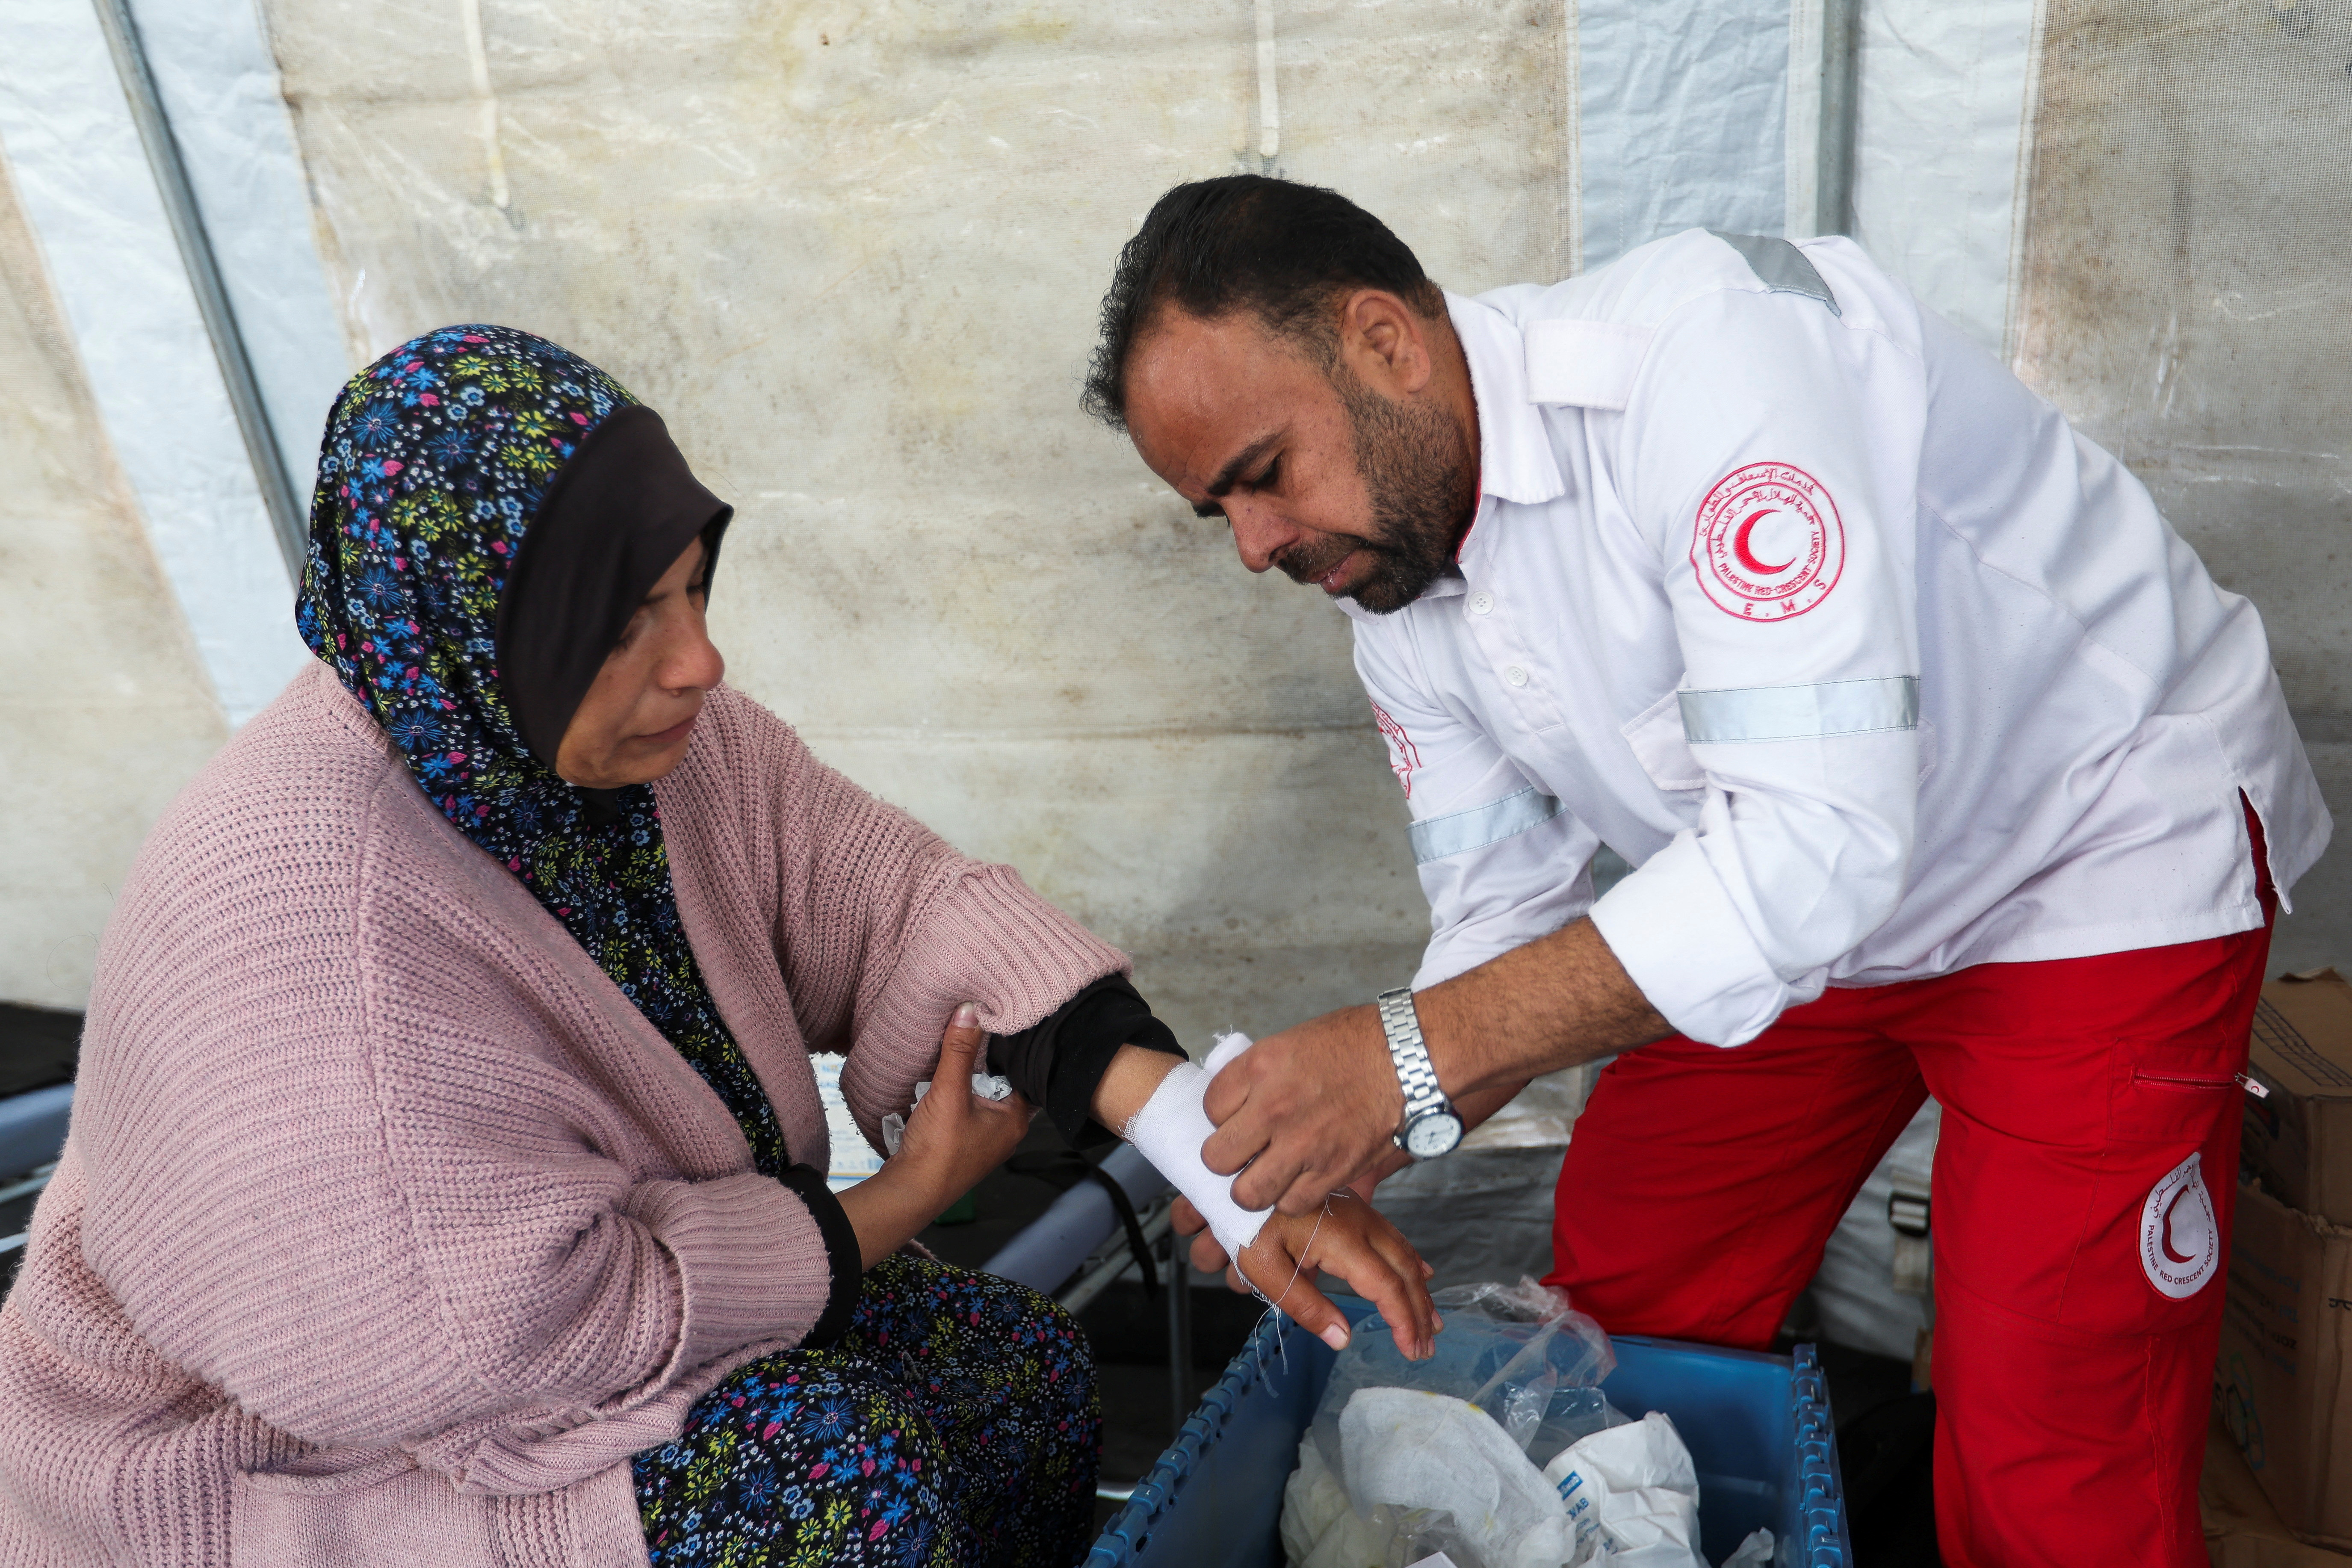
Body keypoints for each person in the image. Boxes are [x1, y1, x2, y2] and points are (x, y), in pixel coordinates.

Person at [0, 325, 1433, 1568]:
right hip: (285, 1468)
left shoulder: (607, 734)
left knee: (1020, 1377)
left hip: (585, 1324)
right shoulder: (313, 945)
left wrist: (1212, 1152)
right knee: (840, 1492)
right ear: (487, 633)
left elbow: (894, 901)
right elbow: (513, 1345)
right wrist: (909, 1194)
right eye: (633, 618)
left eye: (695, 586)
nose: (701, 662)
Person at [1080, 176, 2331, 1567]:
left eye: (1263, 471)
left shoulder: (1701, 359)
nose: (1257, 547)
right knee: (1621, 1282)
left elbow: (1816, 842)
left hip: (2087, 856)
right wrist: (1332, 1144)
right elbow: (1506, 910)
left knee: (2050, 1445)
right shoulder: (1394, 582)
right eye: (1219, 514)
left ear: (1385, 339)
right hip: (1814, 899)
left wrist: (1397, 1057)